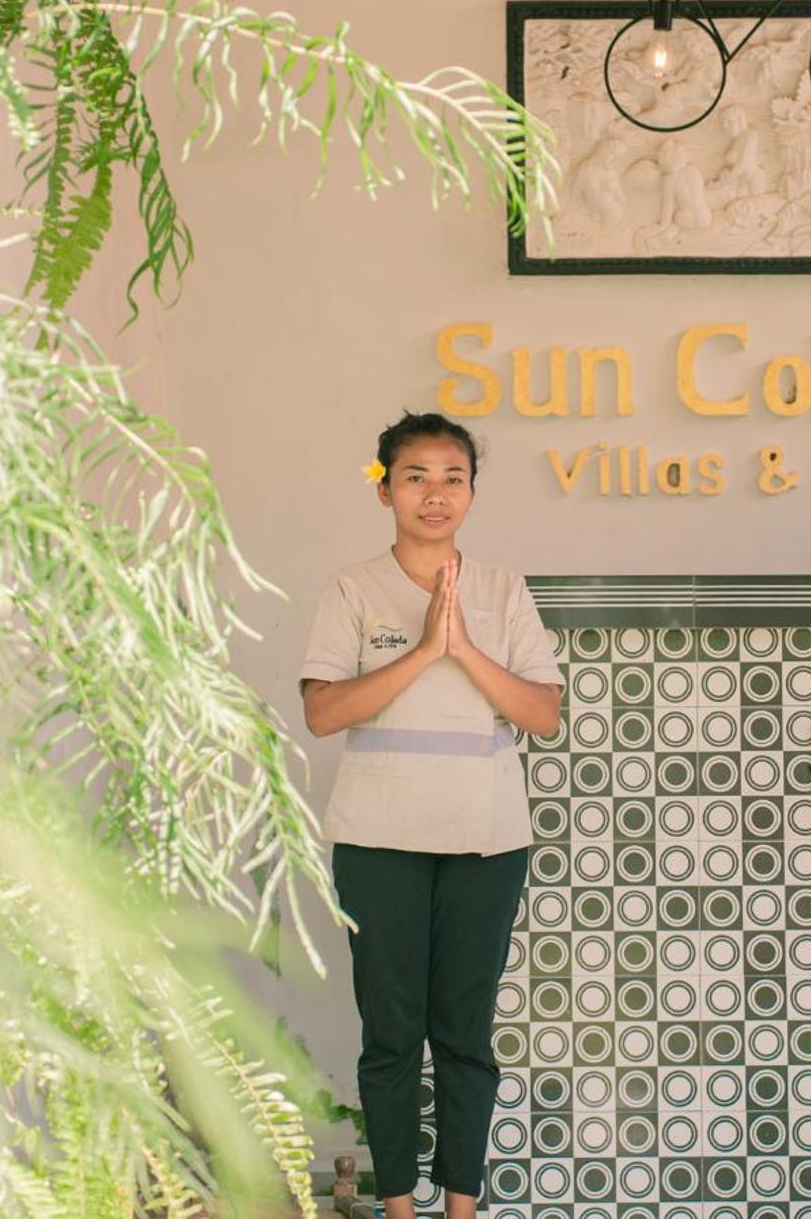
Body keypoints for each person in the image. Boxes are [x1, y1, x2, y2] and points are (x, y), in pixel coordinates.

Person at [299, 411, 564, 1219]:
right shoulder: (352, 588)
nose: (435, 494)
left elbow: (542, 714)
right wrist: (419, 650)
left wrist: (461, 647)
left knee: (463, 1037)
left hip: (486, 840)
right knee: (390, 1037)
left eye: (453, 478)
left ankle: (460, 1208)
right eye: (415, 477)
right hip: (378, 842)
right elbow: (322, 713)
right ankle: (398, 1209)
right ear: (385, 491)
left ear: (472, 492)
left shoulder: (502, 589)